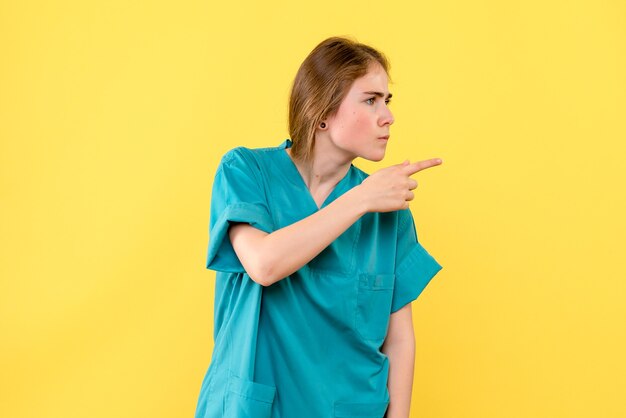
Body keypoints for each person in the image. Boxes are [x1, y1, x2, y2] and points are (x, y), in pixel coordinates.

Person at [194, 36, 444, 418]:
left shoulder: (387, 209)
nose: (388, 116)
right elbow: (264, 264)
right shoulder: (245, 172)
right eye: (371, 99)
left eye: (387, 101)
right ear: (322, 111)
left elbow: (399, 339)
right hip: (257, 407)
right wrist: (361, 199)